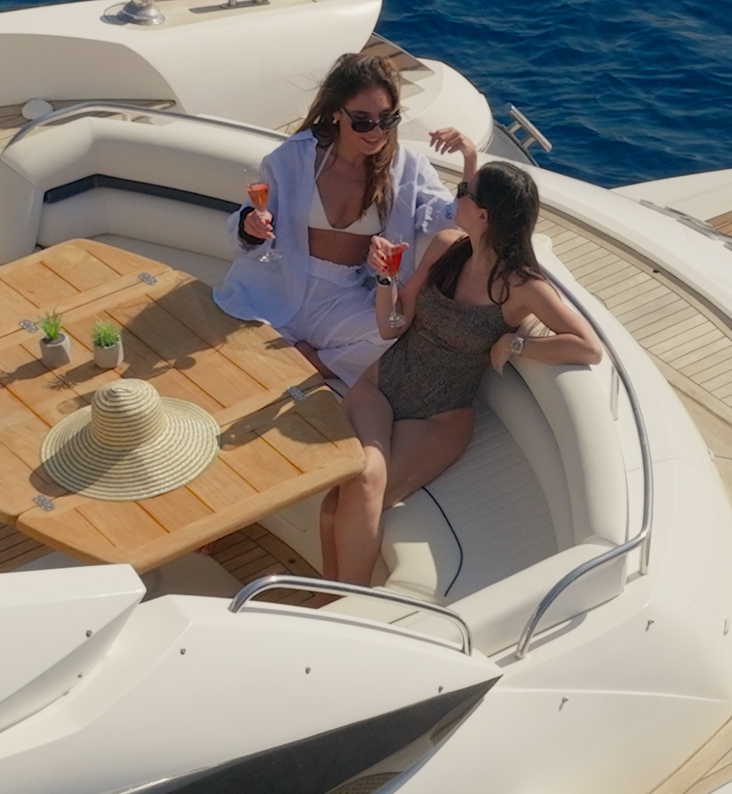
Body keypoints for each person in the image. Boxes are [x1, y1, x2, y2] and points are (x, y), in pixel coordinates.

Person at [321, 161, 603, 587]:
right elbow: (391, 326)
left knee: (353, 491)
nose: (455, 197)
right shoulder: (446, 247)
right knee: (353, 486)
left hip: (439, 417)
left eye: (462, 191)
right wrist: (385, 279)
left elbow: (588, 347)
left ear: (484, 214)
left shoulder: (522, 286)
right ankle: (331, 597)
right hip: (380, 386)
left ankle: (342, 600)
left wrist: (517, 344)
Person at [219, 53, 474, 387]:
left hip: (342, 298)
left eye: (387, 119)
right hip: (278, 282)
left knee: (394, 336)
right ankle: (298, 357)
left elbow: (456, 220)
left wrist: (469, 158)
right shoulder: (294, 158)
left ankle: (316, 362)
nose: (376, 131)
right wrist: (250, 227)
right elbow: (246, 225)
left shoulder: (408, 169)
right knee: (224, 353)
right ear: (337, 114)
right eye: (363, 120)